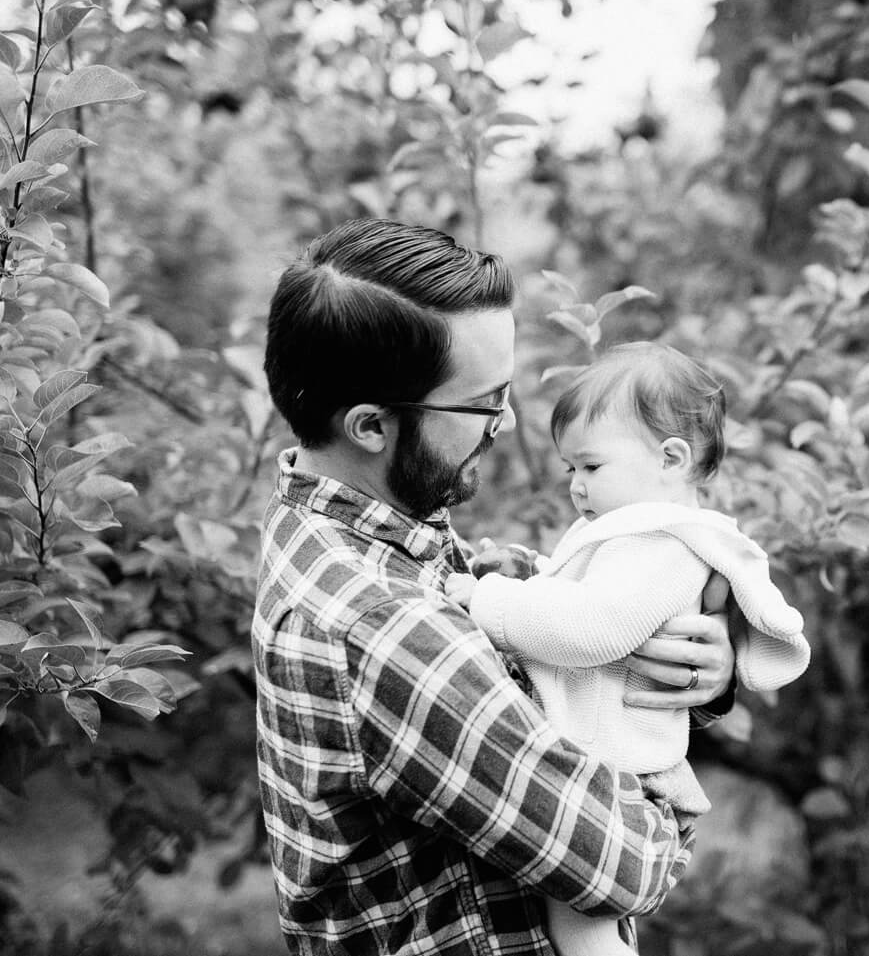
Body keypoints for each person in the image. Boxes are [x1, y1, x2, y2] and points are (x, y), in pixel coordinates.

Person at [254, 218, 738, 956]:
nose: (507, 422)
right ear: (370, 426)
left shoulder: (351, 526)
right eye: (483, 402)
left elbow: (520, 608)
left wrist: (693, 661)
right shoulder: (385, 631)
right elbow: (624, 865)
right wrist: (664, 783)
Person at [445, 343, 811, 956]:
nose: (576, 487)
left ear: (670, 458)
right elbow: (595, 596)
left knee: (582, 926)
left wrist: (485, 601)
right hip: (615, 769)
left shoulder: (661, 546)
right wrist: (528, 569)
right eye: (569, 471)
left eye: (590, 467)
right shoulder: (633, 536)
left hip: (620, 775)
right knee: (586, 922)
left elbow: (595, 629)